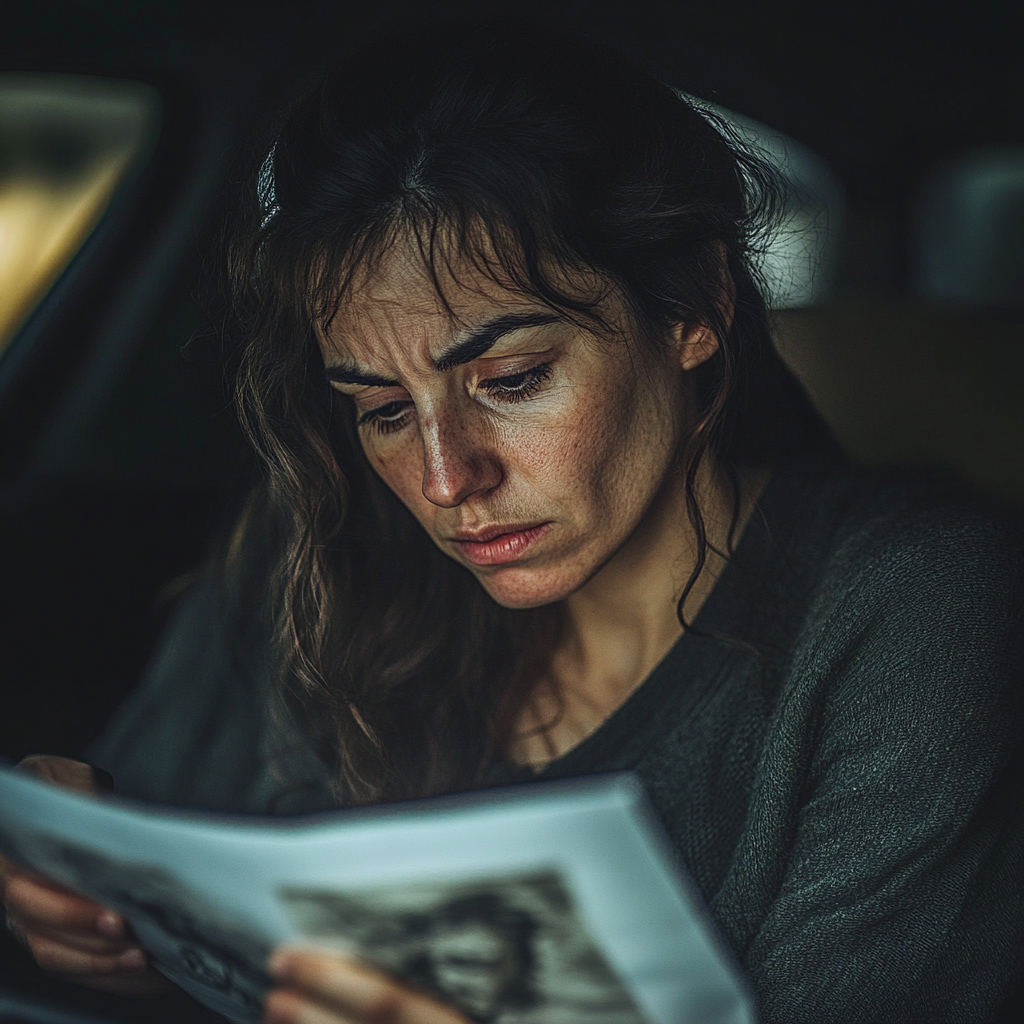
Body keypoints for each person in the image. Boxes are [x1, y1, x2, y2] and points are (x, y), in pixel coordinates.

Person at [2, 19, 1023, 1024]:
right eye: (384, 410)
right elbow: (158, 907)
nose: (445, 479)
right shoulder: (319, 545)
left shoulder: (913, 614)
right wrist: (95, 918)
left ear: (694, 307)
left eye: (513, 379)